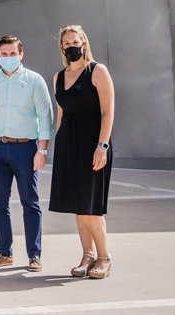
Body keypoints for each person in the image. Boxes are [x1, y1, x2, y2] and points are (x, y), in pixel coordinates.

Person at [0, 35, 54, 272]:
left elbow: (46, 117)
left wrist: (42, 150)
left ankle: (34, 255)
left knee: (30, 202)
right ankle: (3, 253)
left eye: (13, 54)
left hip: (26, 149)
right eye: (4, 54)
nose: (8, 58)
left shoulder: (34, 81)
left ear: (21, 54)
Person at [49, 25, 115, 279]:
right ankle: (87, 256)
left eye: (75, 42)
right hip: (68, 145)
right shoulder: (58, 77)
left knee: (91, 205)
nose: (71, 46)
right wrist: (59, 143)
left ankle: (104, 257)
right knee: (78, 206)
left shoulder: (98, 71)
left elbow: (108, 112)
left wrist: (103, 146)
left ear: (84, 43)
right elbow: (61, 114)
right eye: (66, 43)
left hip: (93, 143)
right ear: (62, 47)